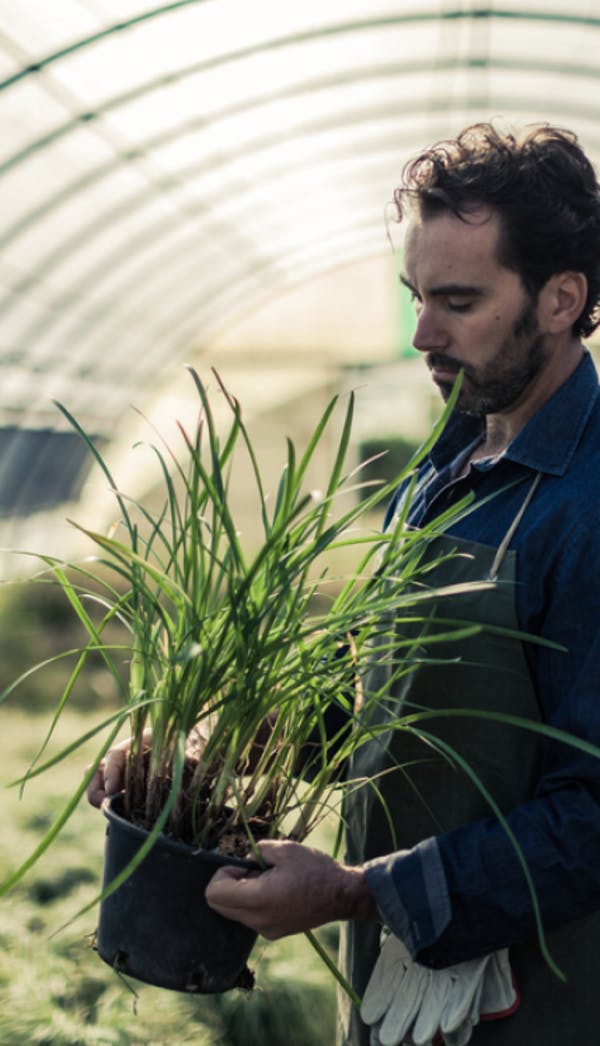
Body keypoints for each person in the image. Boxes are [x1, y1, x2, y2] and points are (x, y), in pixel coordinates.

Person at [89, 122, 600, 1045]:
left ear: (561, 298)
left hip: (538, 998)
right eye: (415, 295)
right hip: (391, 981)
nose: (421, 334)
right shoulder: (444, 469)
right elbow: (382, 688)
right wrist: (205, 756)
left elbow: (594, 820)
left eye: (457, 300)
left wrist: (359, 892)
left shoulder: (591, 507)